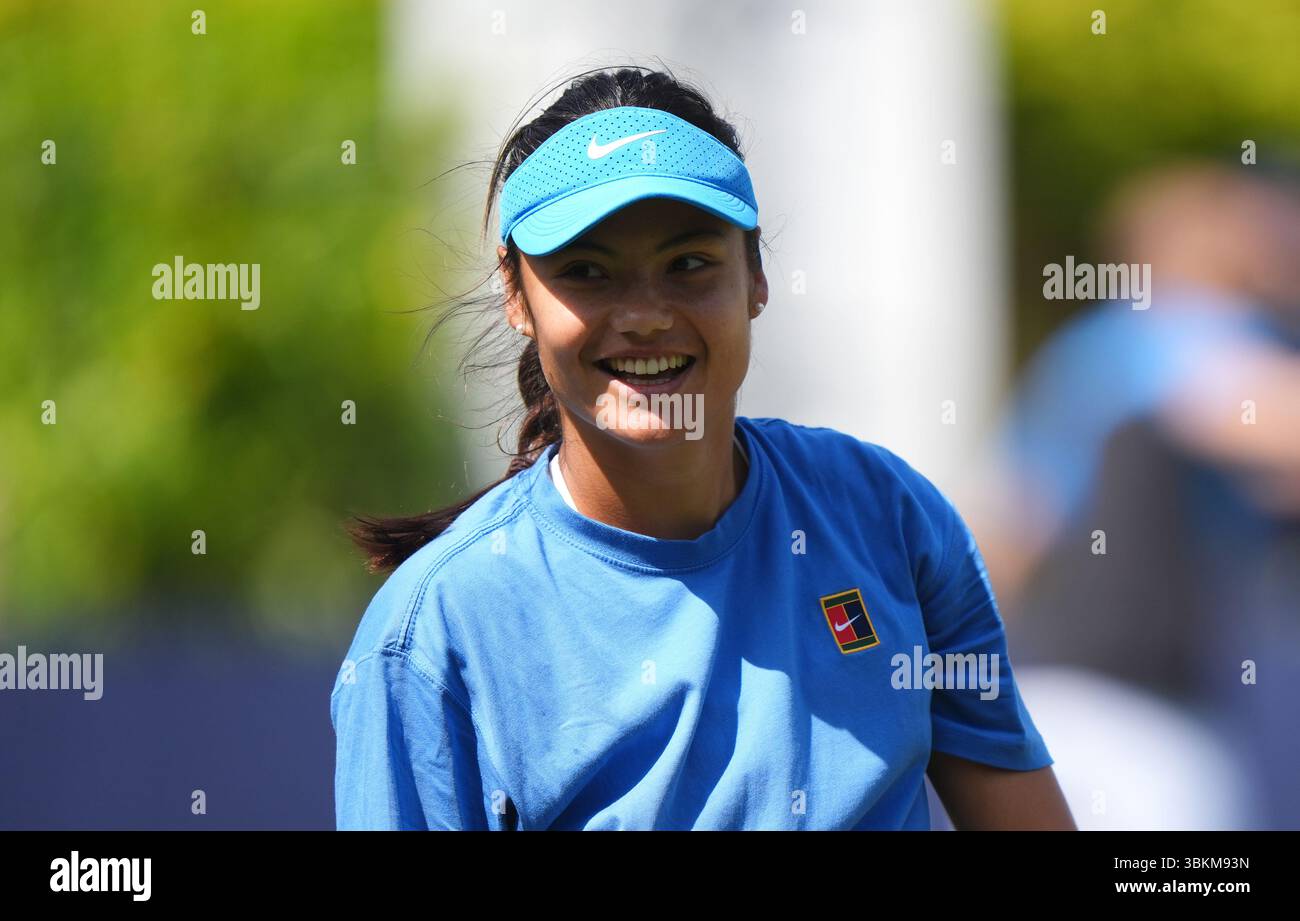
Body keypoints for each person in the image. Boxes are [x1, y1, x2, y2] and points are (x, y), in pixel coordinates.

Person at [330, 66, 1074, 830]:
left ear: (755, 276)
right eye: (587, 272)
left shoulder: (887, 517)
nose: (647, 315)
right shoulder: (428, 637)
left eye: (689, 264)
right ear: (517, 296)